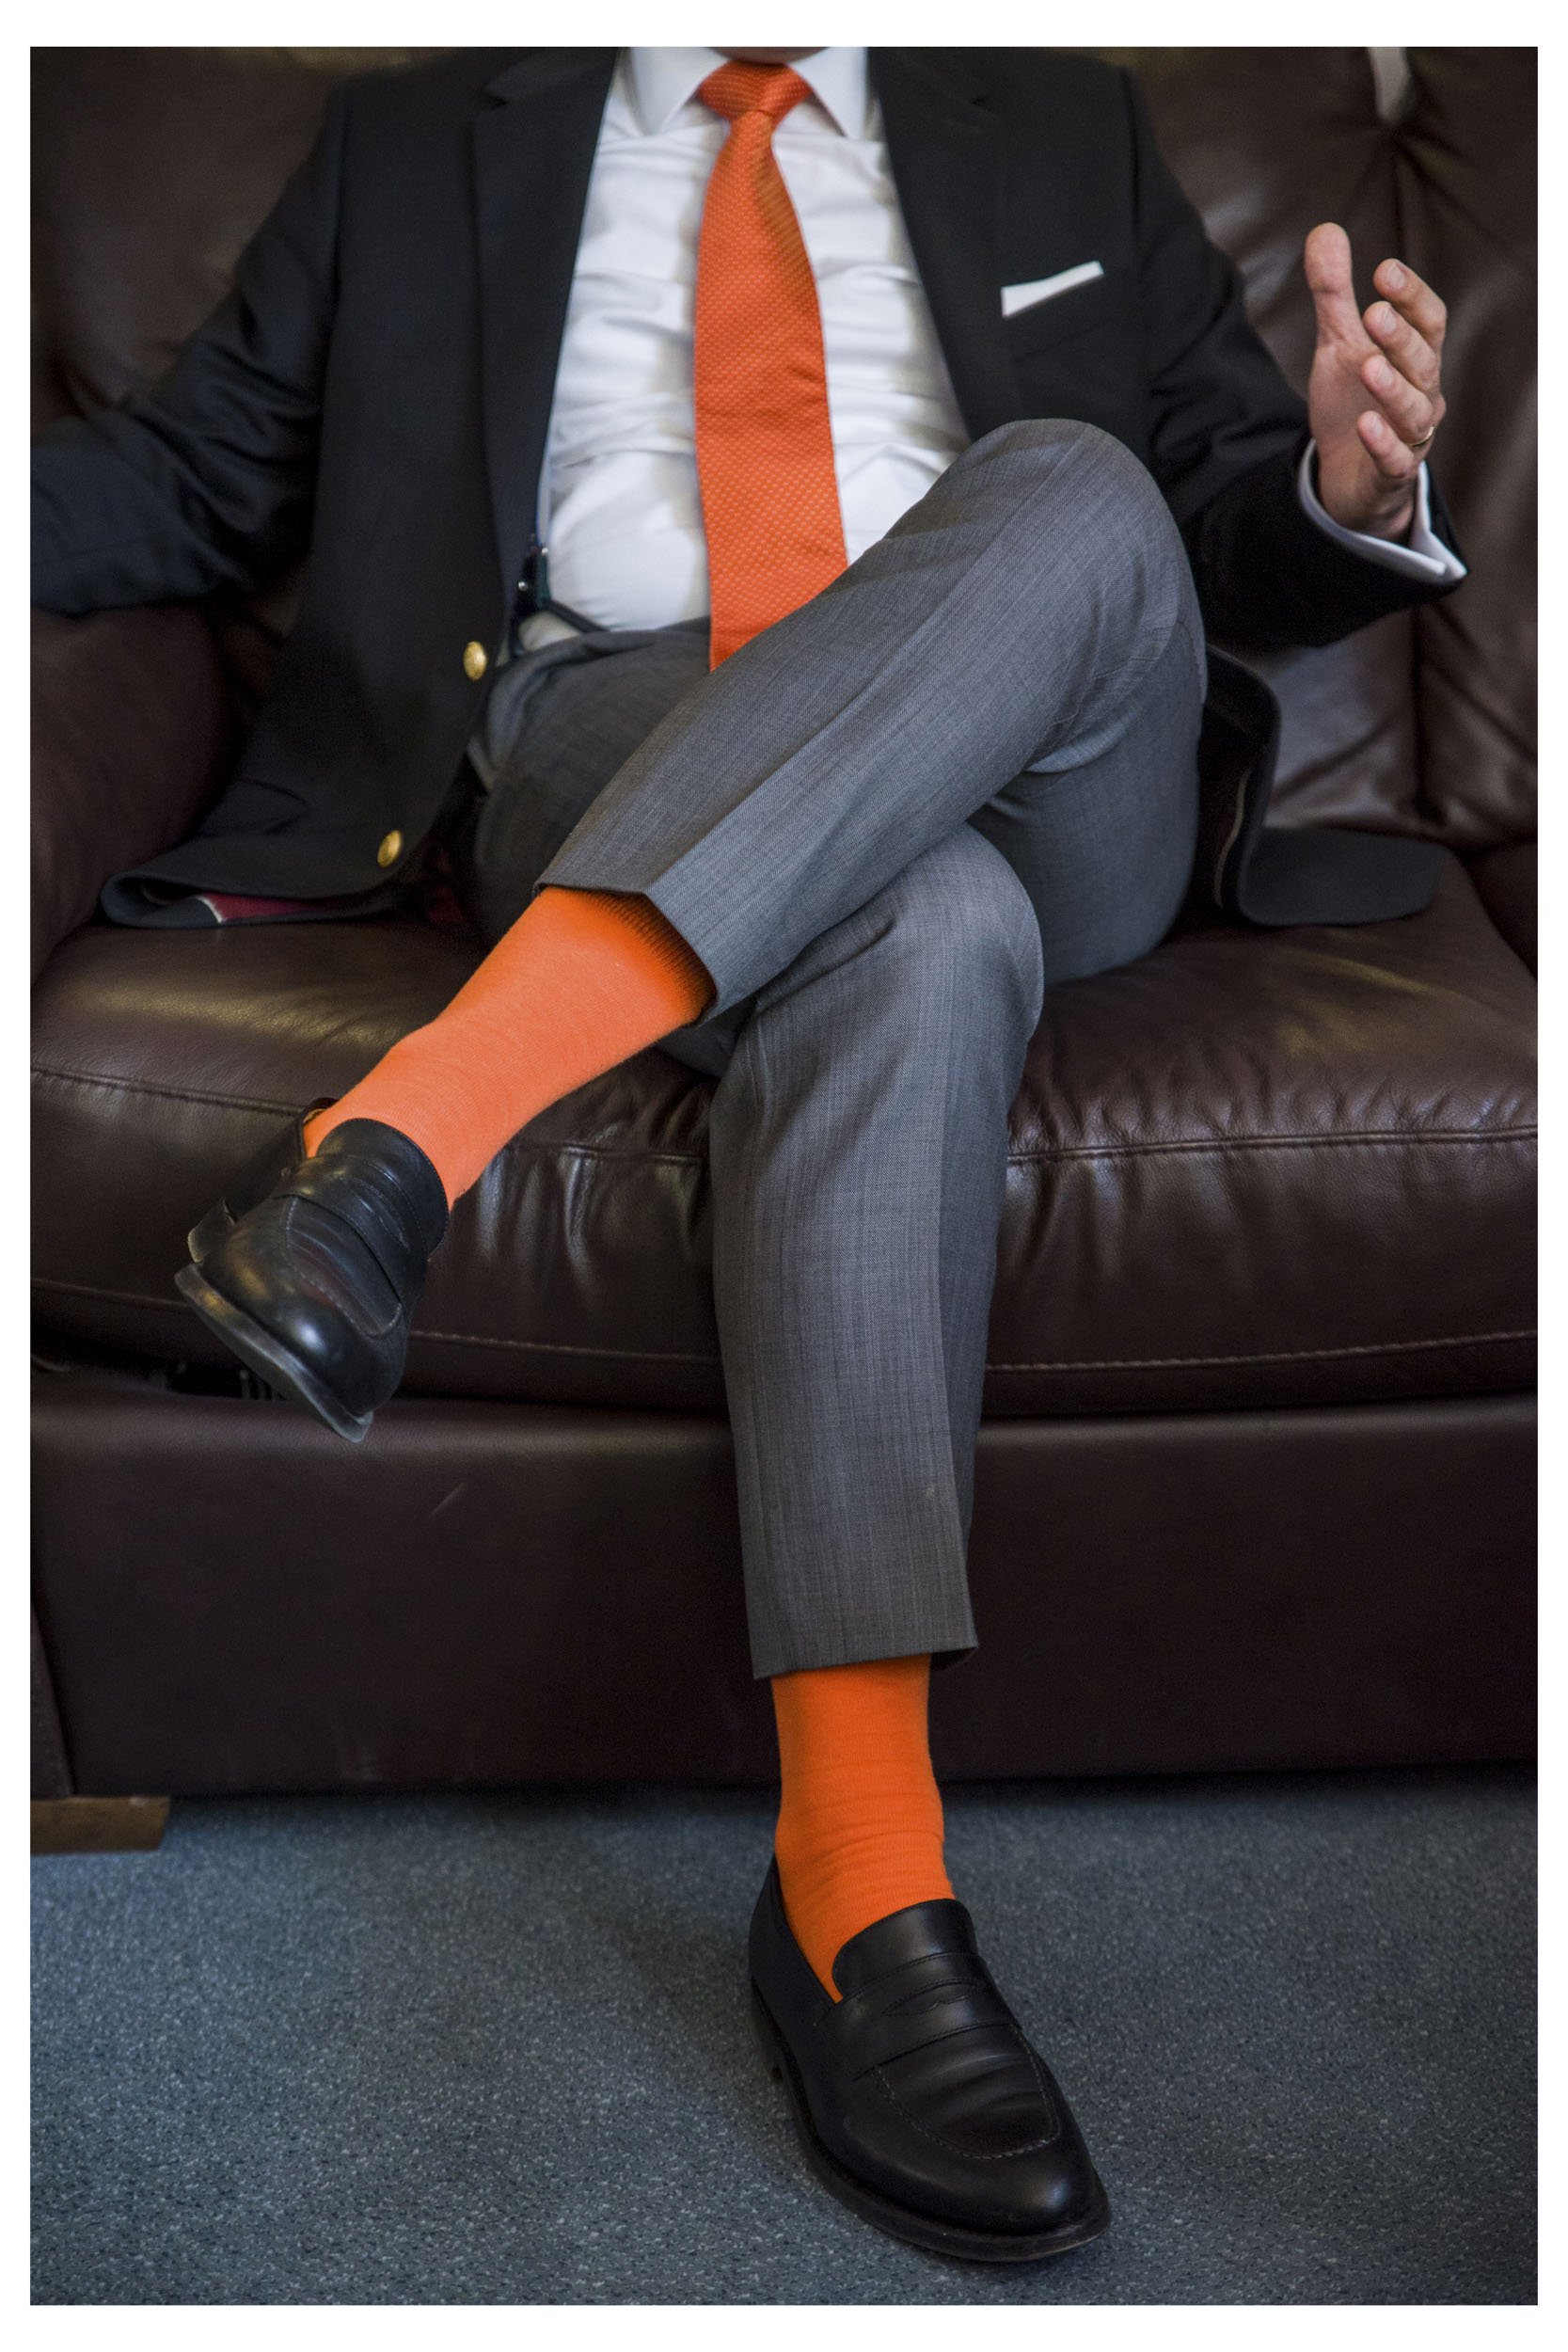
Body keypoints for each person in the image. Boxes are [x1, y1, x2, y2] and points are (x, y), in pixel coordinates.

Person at [31, 44, 1464, 2264]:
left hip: (1048, 749)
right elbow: (192, 482)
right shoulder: (422, 140)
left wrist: (1347, 490)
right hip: (619, 719)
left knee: (1075, 488)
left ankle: (402, 1136)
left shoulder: (1051, 118)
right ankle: (862, 1883)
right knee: (914, 921)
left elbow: (1209, 524)